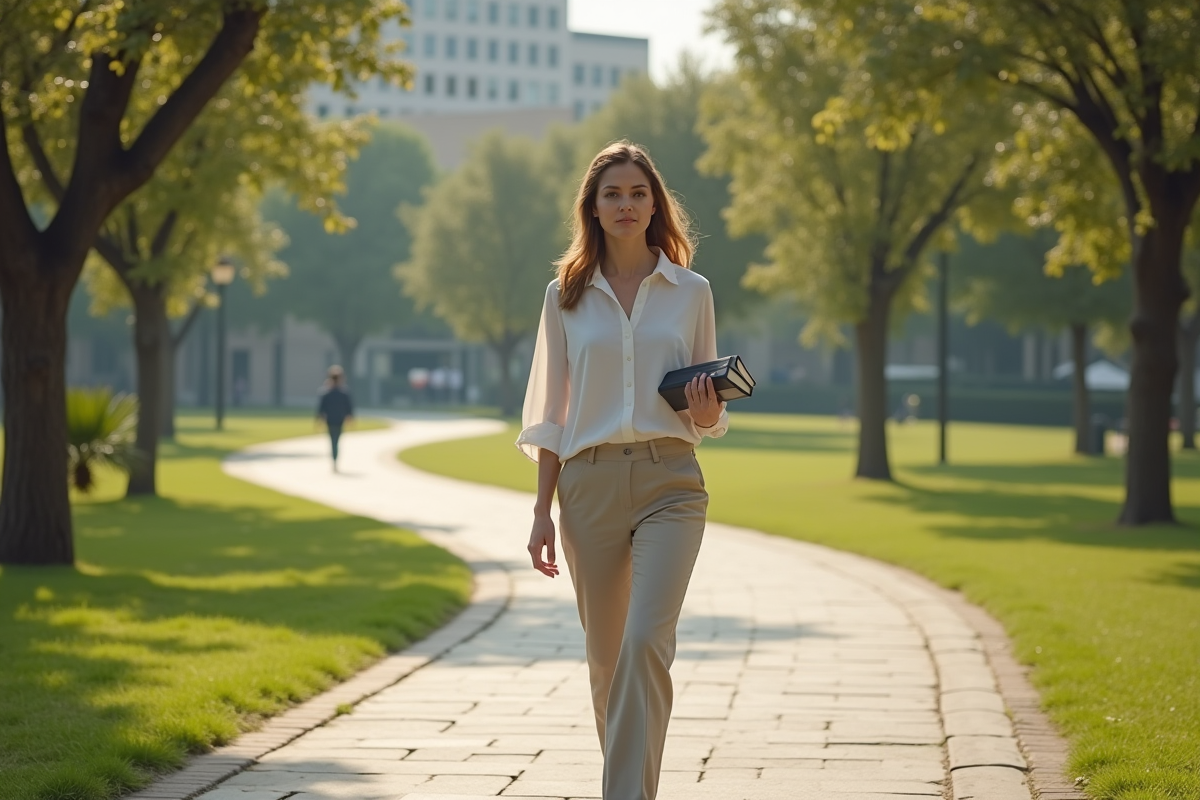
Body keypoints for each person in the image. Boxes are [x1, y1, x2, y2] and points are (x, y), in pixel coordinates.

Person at [516, 141, 728, 800]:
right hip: (588, 488)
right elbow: (552, 413)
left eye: (638, 192)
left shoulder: (692, 292)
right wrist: (540, 511)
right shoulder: (565, 295)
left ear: (654, 203)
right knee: (607, 660)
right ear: (594, 207)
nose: (627, 204)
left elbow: (709, 414)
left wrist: (708, 408)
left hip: (671, 483)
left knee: (644, 644)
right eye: (613, 193)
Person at [316, 365, 355, 471]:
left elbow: (321, 409)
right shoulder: (343, 392)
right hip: (338, 419)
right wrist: (350, 418)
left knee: (333, 441)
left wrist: (319, 419)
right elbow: (349, 408)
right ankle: (335, 459)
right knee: (336, 440)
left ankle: (334, 459)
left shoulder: (326, 392)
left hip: (331, 420)